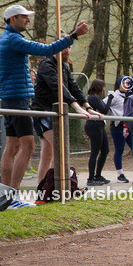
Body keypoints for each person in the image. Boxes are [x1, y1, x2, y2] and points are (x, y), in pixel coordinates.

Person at [0, 4, 88, 189]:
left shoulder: (3, 39)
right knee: (28, 146)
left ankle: (6, 194)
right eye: (24, 17)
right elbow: (46, 50)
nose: (28, 20)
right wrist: (73, 36)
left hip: (9, 98)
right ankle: (13, 193)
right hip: (18, 98)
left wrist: (5, 81)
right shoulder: (13, 39)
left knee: (11, 146)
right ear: (13, 19)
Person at [31, 39, 99, 185]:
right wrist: (76, 106)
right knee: (60, 148)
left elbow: (74, 87)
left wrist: (87, 106)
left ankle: (42, 188)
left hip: (54, 113)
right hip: (44, 112)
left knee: (48, 153)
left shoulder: (64, 67)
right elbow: (58, 87)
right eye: (64, 48)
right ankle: (60, 185)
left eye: (69, 47)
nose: (67, 51)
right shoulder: (46, 64)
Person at [105, 76, 133, 183]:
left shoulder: (130, 96)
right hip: (118, 127)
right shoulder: (114, 95)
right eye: (124, 83)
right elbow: (103, 105)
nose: (127, 85)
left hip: (129, 126)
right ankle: (120, 174)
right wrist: (111, 114)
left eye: (128, 83)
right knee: (119, 149)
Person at [85, 79, 111, 185]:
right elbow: (104, 109)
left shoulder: (97, 98)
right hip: (94, 126)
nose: (104, 89)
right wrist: (110, 98)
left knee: (105, 150)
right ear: (100, 87)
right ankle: (91, 178)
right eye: (103, 87)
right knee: (94, 152)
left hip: (100, 125)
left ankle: (98, 175)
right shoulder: (93, 98)